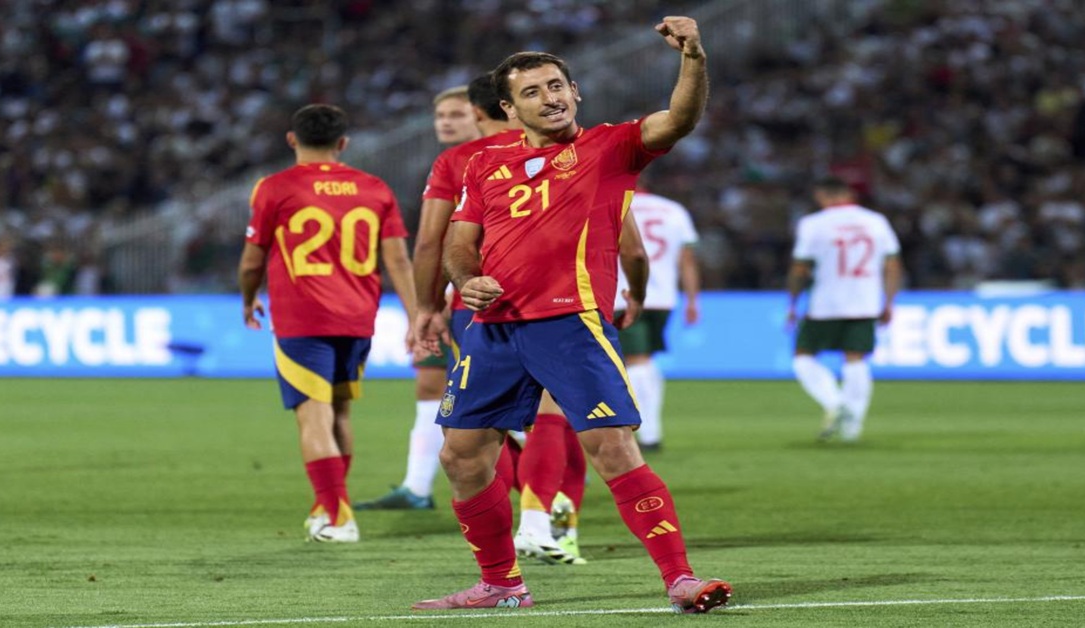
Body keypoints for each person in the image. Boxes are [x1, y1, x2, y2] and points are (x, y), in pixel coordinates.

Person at [413, 17, 731, 614]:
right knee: (460, 455)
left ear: (575, 91)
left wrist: (693, 57)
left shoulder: (610, 148)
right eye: (532, 91)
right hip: (494, 328)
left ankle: (681, 579)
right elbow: (460, 241)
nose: (549, 97)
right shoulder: (483, 163)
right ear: (509, 108)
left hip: (571, 323)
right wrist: (466, 278)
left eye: (557, 85)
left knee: (612, 447)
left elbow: (679, 120)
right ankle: (502, 585)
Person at [238, 104, 418, 542]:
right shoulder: (374, 188)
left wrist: (248, 298)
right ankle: (327, 507)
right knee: (339, 411)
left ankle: (339, 517)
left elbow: (252, 259)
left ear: (291, 139)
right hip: (358, 316)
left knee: (312, 418)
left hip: (302, 317)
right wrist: (418, 318)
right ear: (343, 144)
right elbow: (397, 259)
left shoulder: (274, 188)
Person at [354, 77, 524, 511]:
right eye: (440, 115)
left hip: (478, 302)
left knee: (485, 413)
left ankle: (531, 500)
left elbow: (432, 242)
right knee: (434, 386)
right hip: (459, 299)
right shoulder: (453, 163)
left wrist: (424, 309)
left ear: (482, 113)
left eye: (456, 114)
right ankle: (418, 486)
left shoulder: (475, 160)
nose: (445, 122)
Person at [787, 175, 902, 442]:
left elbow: (800, 268)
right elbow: (893, 265)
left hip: (825, 303)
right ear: (849, 195)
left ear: (822, 196)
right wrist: (889, 302)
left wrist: (792, 303)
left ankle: (835, 403)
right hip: (865, 302)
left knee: (803, 356)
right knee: (856, 358)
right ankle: (852, 427)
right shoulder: (876, 221)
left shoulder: (813, 224)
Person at [613, 189, 701, 452]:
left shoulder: (613, 203)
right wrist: (693, 299)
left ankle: (649, 435)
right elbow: (687, 259)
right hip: (664, 297)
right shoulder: (674, 209)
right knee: (646, 358)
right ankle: (651, 429)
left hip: (625, 294)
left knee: (636, 361)